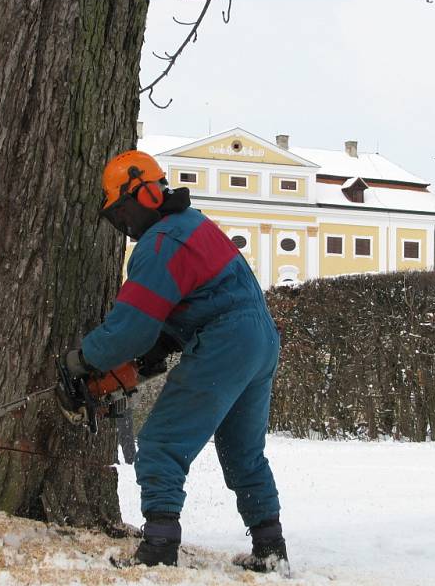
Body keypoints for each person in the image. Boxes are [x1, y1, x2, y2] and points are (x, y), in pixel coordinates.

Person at [65, 150, 288, 572]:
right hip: (259, 338)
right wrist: (159, 347)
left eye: (121, 213)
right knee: (244, 452)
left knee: (161, 441)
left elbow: (128, 329)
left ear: (144, 195)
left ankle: (159, 547)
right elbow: (201, 296)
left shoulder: (160, 243)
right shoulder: (194, 224)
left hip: (226, 340)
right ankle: (271, 547)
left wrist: (82, 359)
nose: (124, 227)